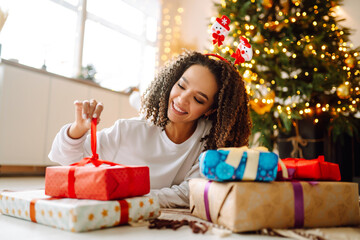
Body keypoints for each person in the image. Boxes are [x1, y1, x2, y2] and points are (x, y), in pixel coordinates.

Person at [48, 51, 252, 208]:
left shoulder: (210, 142)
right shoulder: (129, 131)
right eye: (181, 86)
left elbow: (189, 192)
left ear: (211, 110)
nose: (182, 99)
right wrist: (79, 129)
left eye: (198, 99)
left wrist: (133, 198)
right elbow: (65, 158)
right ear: (172, 81)